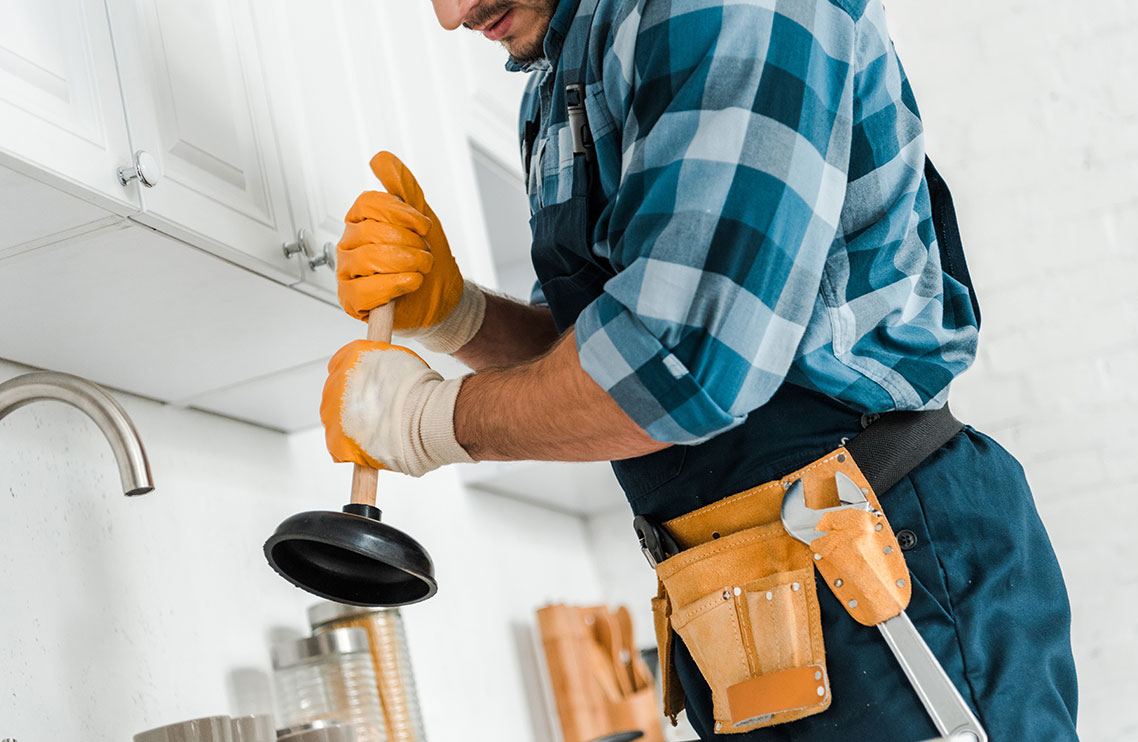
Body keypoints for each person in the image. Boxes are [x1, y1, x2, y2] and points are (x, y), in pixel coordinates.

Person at [320, 0, 1081, 739]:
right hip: (740, 595)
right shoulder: (561, 68)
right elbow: (596, 355)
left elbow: (677, 370)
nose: (449, 15)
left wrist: (426, 423)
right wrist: (458, 318)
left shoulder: (721, 7)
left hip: (872, 568)